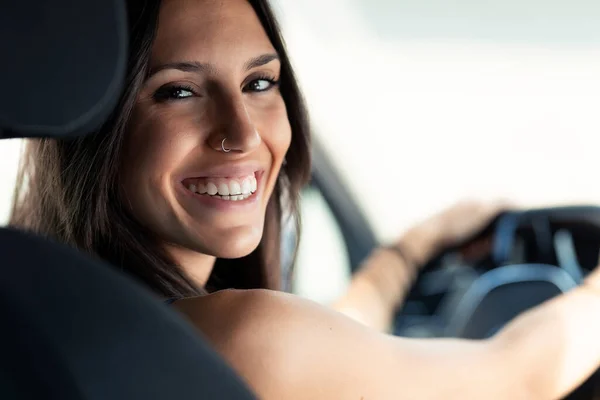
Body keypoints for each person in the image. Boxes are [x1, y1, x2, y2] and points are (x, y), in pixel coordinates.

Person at [9, 0, 600, 398]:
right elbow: (519, 376)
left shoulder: (55, 330)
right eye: (179, 91)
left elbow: (323, 347)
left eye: (259, 83)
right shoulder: (239, 335)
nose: (241, 133)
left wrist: (407, 251)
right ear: (98, 134)